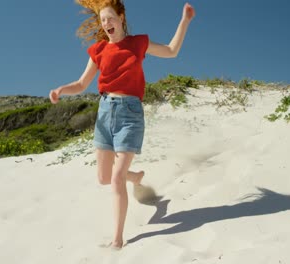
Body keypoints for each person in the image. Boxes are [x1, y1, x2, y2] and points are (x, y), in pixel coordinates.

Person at [49, 0, 195, 249]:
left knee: (116, 178)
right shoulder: (98, 50)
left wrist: (185, 21)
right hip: (104, 114)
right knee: (104, 177)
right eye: (103, 20)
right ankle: (135, 176)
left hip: (130, 114)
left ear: (121, 17)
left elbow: (171, 51)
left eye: (110, 18)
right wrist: (62, 89)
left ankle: (117, 239)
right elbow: (82, 84)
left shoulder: (137, 43)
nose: (106, 24)